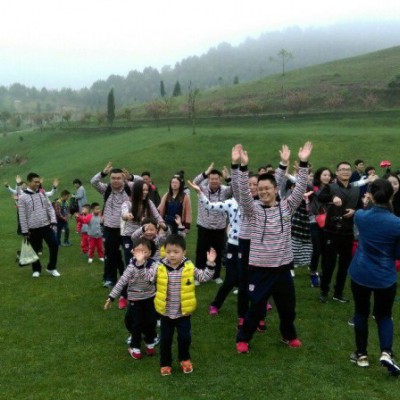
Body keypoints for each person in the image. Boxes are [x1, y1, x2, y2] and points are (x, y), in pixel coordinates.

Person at [235, 141, 313, 353]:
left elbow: (300, 187)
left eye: (267, 188)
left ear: (276, 189)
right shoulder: (252, 210)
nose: (263, 192)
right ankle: (243, 339)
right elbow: (243, 192)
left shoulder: (287, 206)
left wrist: (303, 162)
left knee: (288, 309)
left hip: (282, 269)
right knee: (256, 307)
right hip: (259, 269)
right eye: (260, 189)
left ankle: (288, 335)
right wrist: (243, 167)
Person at [348, 179, 400, 375]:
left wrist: (367, 204)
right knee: (384, 315)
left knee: (361, 312)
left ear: (370, 195)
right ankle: (386, 352)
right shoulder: (397, 223)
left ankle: (361, 354)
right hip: (384, 276)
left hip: (361, 272)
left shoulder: (361, 216)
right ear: (391, 196)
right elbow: (397, 253)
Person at [145, 234, 216, 376]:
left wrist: (210, 263)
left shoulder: (188, 266)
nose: (172, 255)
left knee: (185, 338)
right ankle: (165, 363)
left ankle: (184, 359)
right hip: (165, 313)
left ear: (184, 252)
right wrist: (142, 263)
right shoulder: (159, 266)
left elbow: (203, 277)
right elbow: (148, 279)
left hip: (184, 313)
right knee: (165, 340)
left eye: (176, 252)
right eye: (168, 251)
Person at [188, 179, 241, 317]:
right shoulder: (231, 202)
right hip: (234, 245)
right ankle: (216, 304)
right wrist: (200, 193)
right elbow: (210, 206)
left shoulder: (256, 205)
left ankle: (259, 302)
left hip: (252, 247)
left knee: (252, 276)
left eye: (254, 185)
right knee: (230, 279)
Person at [104, 238, 158, 360]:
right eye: (138, 251)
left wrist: (141, 264)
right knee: (137, 323)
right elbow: (122, 281)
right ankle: (135, 347)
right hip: (135, 301)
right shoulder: (131, 266)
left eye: (144, 251)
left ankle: (150, 343)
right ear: (133, 251)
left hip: (149, 299)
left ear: (149, 253)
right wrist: (111, 297)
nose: (140, 254)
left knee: (151, 322)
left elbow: (150, 279)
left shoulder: (153, 265)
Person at [91, 162, 141, 288]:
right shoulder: (106, 189)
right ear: (110, 178)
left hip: (127, 228)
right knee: (111, 254)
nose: (116, 180)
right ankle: (110, 279)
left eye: (119, 178)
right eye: (113, 178)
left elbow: (142, 182)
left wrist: (131, 177)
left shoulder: (129, 187)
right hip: (110, 227)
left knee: (130, 254)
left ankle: (132, 279)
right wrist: (103, 173)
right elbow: (93, 182)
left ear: (123, 178)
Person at [318, 162, 362, 303]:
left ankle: (338, 292)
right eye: (342, 169)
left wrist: (354, 210)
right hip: (331, 231)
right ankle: (324, 291)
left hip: (348, 232)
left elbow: (361, 206)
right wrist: (332, 198)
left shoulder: (356, 189)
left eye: (348, 169)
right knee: (329, 264)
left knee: (344, 264)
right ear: (336, 172)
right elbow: (320, 198)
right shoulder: (331, 187)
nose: (345, 172)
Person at [192, 163, 232, 283]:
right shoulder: (203, 188)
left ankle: (216, 275)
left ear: (220, 180)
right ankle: (199, 276)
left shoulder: (225, 190)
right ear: (208, 180)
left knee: (218, 251)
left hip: (219, 227)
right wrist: (205, 173)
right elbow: (194, 182)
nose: (214, 181)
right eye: (211, 179)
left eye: (216, 179)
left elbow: (235, 190)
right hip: (204, 226)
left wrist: (228, 178)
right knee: (201, 251)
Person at [18, 172, 60, 278]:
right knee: (35, 250)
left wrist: (53, 221)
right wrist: (25, 231)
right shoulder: (22, 197)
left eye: (38, 182)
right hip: (32, 229)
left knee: (54, 245)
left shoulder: (42, 193)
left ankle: (51, 268)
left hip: (46, 226)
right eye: (35, 182)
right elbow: (22, 215)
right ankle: (36, 269)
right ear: (29, 182)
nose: (37, 184)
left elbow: (49, 207)